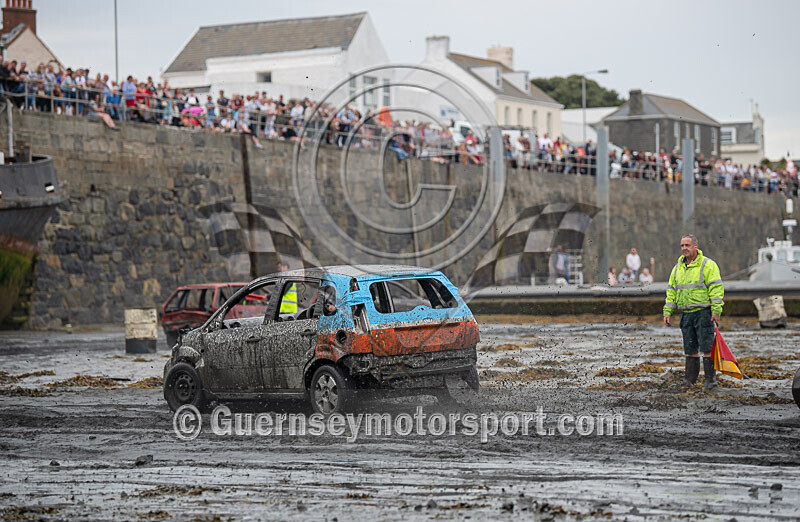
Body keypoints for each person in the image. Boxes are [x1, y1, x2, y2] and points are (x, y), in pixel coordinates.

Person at [663, 235, 724, 390]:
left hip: (704, 313)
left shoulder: (708, 265)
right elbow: (671, 292)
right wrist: (667, 312)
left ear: (696, 246)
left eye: (687, 245)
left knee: (707, 348)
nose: (684, 248)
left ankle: (711, 381)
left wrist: (716, 311)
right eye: (682, 245)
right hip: (686, 314)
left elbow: (716, 289)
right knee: (690, 350)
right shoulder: (677, 268)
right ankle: (690, 380)